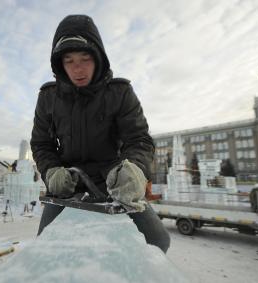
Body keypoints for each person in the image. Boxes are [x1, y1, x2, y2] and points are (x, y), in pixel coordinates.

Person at [30, 15, 170, 253]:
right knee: (45, 246)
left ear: (98, 58)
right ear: (59, 64)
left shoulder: (120, 92)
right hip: (68, 184)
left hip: (115, 182)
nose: (78, 68)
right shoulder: (48, 97)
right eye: (69, 60)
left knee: (158, 242)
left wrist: (135, 169)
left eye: (85, 58)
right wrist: (51, 171)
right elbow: (41, 143)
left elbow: (139, 139)